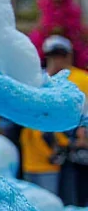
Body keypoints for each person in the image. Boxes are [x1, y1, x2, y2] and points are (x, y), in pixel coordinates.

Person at [20, 35, 88, 202]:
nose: (56, 60)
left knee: (70, 196)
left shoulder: (82, 78)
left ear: (69, 55)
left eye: (60, 55)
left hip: (71, 147)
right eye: (52, 56)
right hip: (39, 149)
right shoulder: (41, 78)